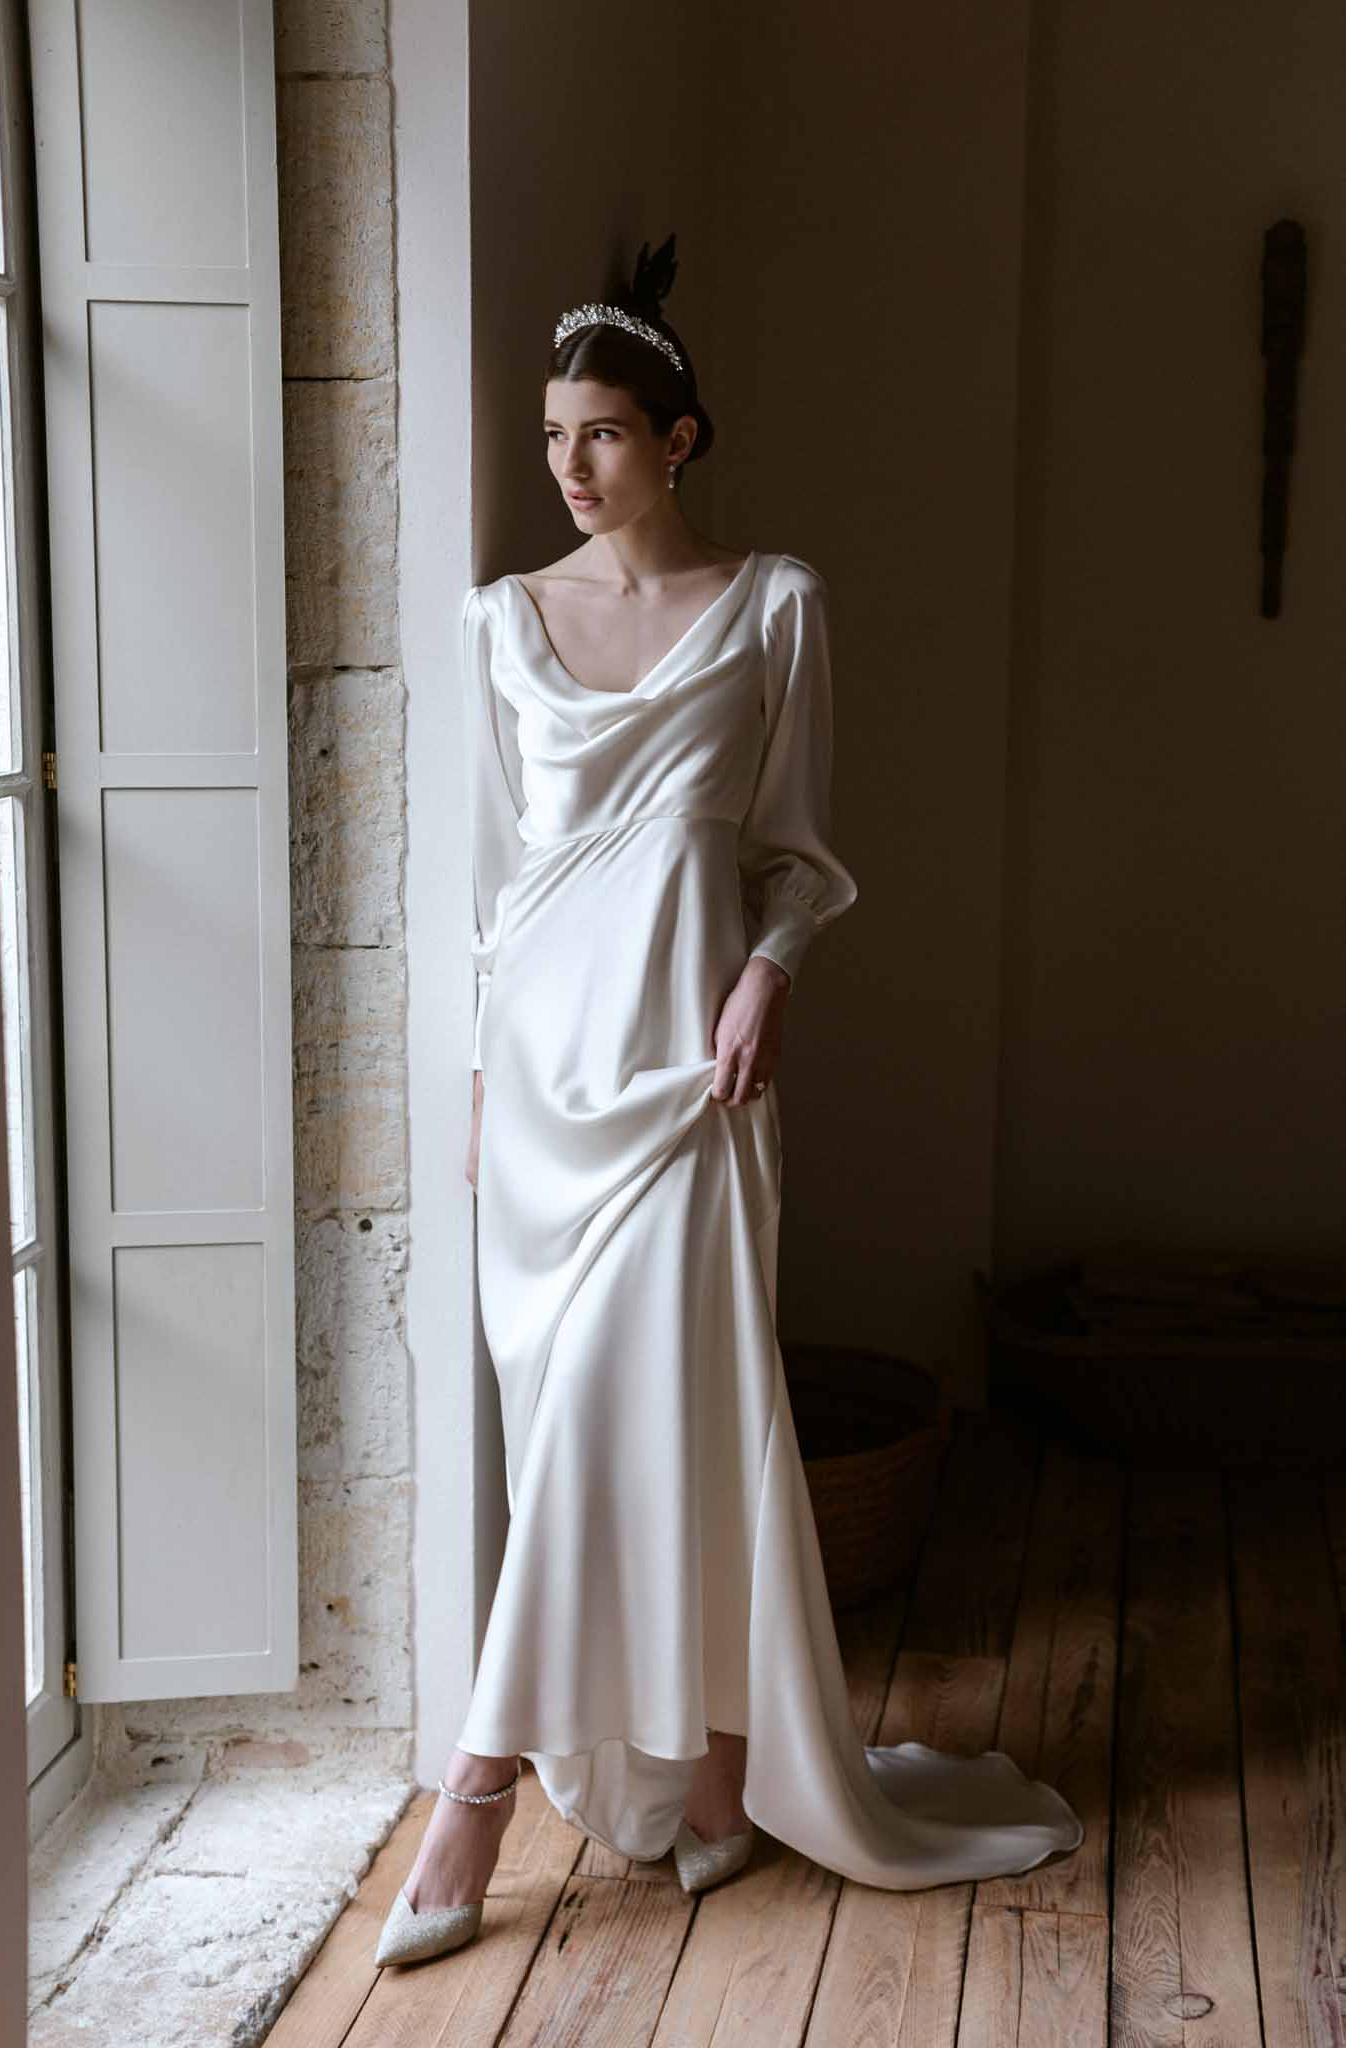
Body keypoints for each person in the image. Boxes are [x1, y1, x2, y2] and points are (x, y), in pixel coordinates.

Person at [375, 236, 1083, 1969]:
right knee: (579, 1442)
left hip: (691, 1073)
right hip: (543, 1090)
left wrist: (767, 970)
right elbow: (484, 894)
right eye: (555, 435)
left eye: (605, 432)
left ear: (678, 441)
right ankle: (699, 1778)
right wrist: (481, 1091)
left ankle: (474, 1802)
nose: (570, 465)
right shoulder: (497, 624)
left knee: (659, 1406)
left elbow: (795, 856)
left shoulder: (773, 606)